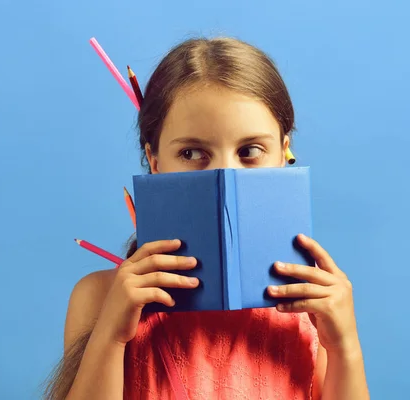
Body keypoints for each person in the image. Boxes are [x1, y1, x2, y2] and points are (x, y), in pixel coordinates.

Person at [44, 37, 369, 399]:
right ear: (154, 161)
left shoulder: (311, 312)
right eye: (192, 152)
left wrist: (345, 347)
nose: (225, 176)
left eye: (249, 151)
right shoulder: (99, 297)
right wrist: (111, 334)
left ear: (283, 153)